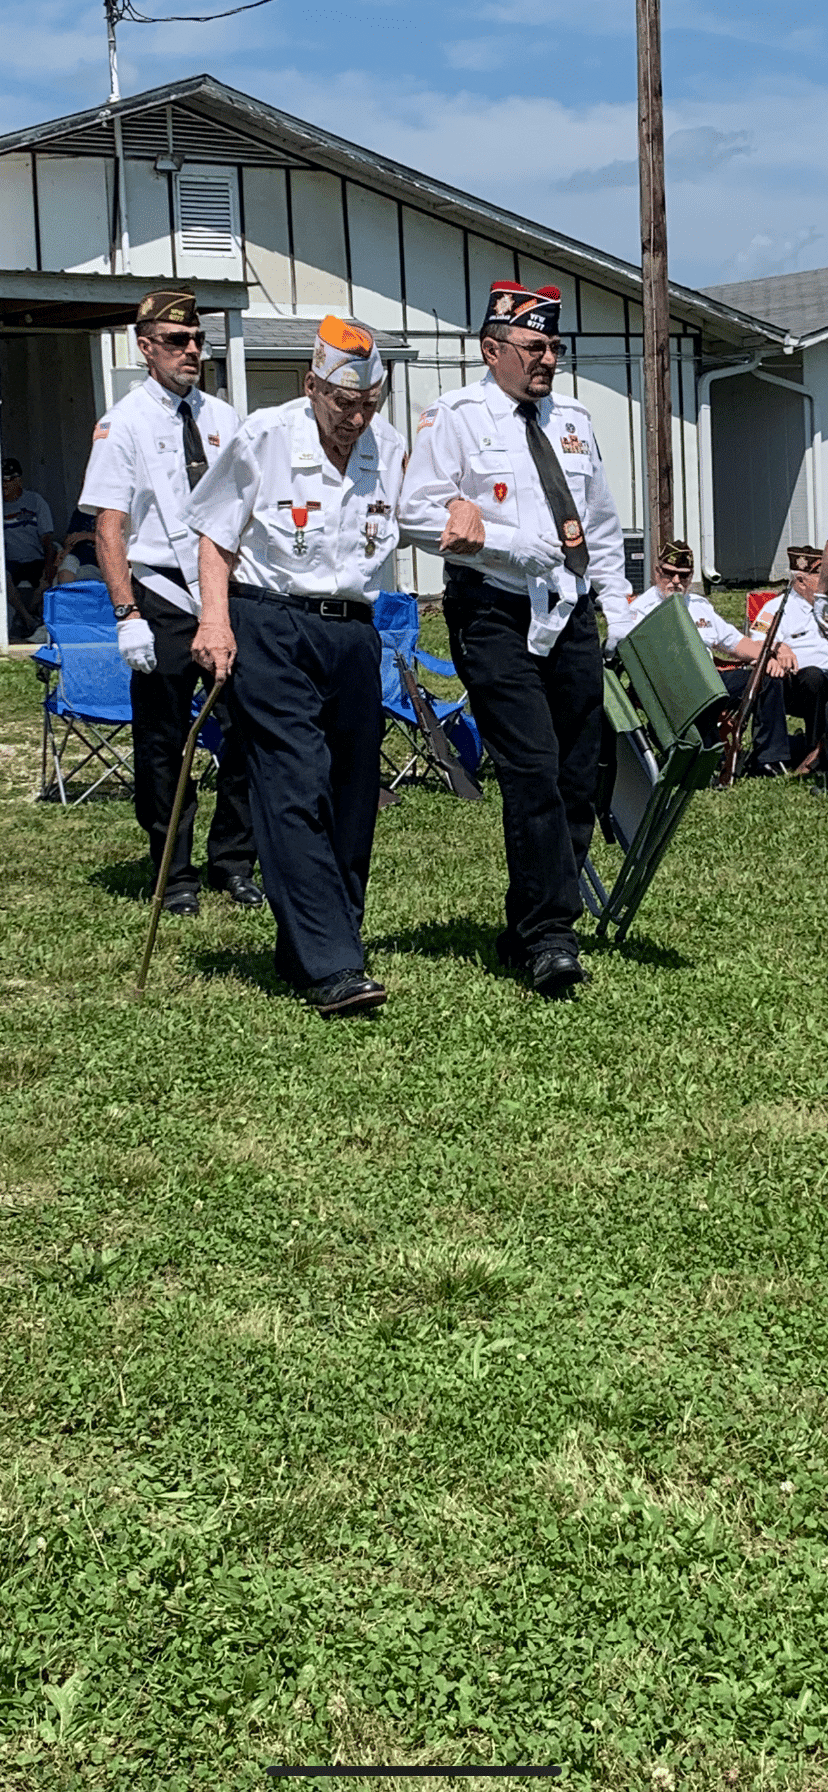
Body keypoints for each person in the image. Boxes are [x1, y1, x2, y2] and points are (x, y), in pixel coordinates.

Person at [398, 278, 632, 997]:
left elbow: (598, 523)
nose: (548, 359)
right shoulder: (457, 418)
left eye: (554, 346)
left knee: (576, 772)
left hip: (569, 613)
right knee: (530, 766)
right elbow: (412, 513)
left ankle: (528, 918)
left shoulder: (574, 420)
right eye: (534, 347)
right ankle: (549, 936)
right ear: (491, 348)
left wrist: (615, 607)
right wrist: (507, 546)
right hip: (495, 612)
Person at [185, 315, 408, 1016]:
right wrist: (214, 621)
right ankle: (333, 962)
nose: (356, 417)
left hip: (351, 633)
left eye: (369, 403)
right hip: (270, 621)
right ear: (312, 386)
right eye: (345, 403)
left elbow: (418, 519)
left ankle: (311, 938)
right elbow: (216, 538)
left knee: (350, 791)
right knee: (293, 781)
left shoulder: (388, 447)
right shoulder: (264, 438)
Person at [79, 289, 261, 916]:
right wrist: (127, 615)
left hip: (227, 593)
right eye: (177, 341)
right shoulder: (123, 422)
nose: (191, 352)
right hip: (159, 594)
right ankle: (174, 870)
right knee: (163, 739)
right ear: (145, 346)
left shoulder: (226, 418)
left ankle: (233, 859)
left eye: (197, 341)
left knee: (249, 728)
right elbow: (111, 525)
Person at [615, 540, 796, 775]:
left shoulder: (699, 606)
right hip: (671, 689)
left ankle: (769, 760)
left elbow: (736, 643)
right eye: (669, 574)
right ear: (656, 572)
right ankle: (709, 757)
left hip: (711, 681)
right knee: (702, 710)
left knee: (767, 679)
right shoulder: (639, 612)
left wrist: (771, 652)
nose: (676, 582)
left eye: (684, 576)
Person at [750, 546, 828, 768]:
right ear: (801, 581)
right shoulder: (775, 608)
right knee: (814, 677)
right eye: (821, 576)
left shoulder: (826, 606)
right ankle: (814, 750)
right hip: (799, 685)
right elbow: (756, 640)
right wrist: (779, 646)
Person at [3, 457, 56, 640]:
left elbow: (48, 540)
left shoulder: (35, 501)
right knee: (3, 576)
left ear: (19, 480)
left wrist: (49, 566)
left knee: (50, 576)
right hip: (10, 561)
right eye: (1, 480)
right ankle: (28, 619)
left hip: (35, 559)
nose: (4, 484)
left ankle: (28, 615)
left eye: (9, 479)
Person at [55, 505, 103, 584]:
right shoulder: (82, 510)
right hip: (77, 554)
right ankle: (67, 595)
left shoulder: (112, 512)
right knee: (65, 569)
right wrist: (64, 552)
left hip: (100, 559)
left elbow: (116, 539)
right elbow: (71, 537)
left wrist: (87, 536)